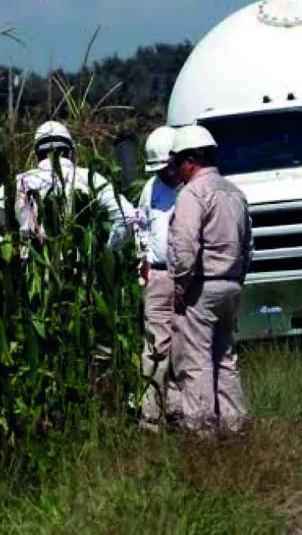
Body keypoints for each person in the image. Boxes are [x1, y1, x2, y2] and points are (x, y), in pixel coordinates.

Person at [167, 124, 253, 436]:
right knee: (226, 358)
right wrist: (237, 278)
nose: (176, 170)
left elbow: (186, 246)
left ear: (191, 160)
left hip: (202, 286)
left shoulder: (193, 193)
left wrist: (180, 284)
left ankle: (202, 431)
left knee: (197, 360)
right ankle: (233, 425)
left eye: (178, 163)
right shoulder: (235, 192)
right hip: (231, 284)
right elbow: (248, 246)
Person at [0, 120, 135, 250]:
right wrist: (106, 251)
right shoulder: (90, 179)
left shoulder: (18, 184)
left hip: (31, 270)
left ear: (36, 155)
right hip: (80, 270)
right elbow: (127, 216)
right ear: (71, 153)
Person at [136, 125, 184, 432]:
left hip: (188, 277)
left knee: (183, 348)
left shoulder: (192, 188)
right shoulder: (150, 189)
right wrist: (142, 264)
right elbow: (140, 228)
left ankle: (179, 414)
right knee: (155, 348)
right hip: (158, 274)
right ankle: (150, 417)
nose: (164, 174)